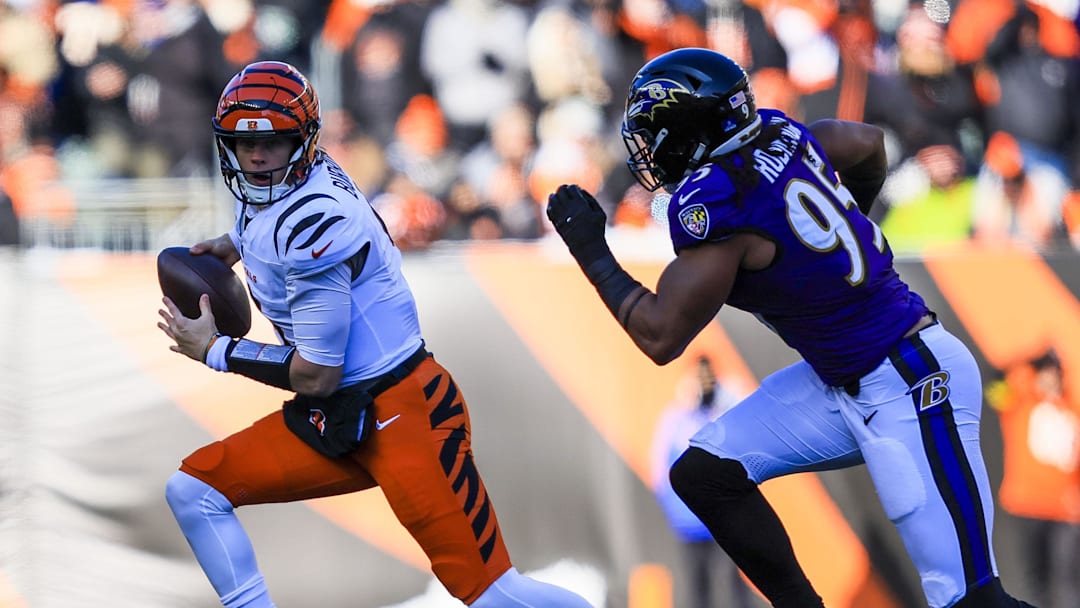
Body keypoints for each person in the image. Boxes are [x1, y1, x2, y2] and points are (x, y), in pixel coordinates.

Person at [546, 47, 1036, 608]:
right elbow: (866, 142)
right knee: (706, 473)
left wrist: (592, 252)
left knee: (974, 603)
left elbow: (660, 336)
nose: (652, 151)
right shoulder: (779, 132)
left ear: (688, 130)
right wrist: (843, 226)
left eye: (656, 133)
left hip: (911, 380)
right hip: (845, 378)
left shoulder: (717, 203)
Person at [156, 61, 593, 608]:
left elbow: (317, 372)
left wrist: (215, 350)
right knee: (194, 490)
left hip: (402, 409)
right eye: (246, 147)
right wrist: (236, 243)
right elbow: (274, 225)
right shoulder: (289, 186)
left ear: (303, 142)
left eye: (274, 142)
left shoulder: (315, 223)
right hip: (340, 414)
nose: (258, 157)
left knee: (493, 595)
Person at [649, 355, 753, 608]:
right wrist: (678, 512)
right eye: (699, 377)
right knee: (699, 588)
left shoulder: (725, 412)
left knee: (739, 584)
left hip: (728, 516)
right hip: (691, 521)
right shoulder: (676, 419)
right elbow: (660, 469)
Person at [985, 348, 1080, 608]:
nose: (1049, 380)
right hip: (1027, 505)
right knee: (1035, 582)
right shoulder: (1021, 403)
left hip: (1064, 511)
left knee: (1068, 582)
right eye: (1043, 374)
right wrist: (1027, 359)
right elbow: (994, 382)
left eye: (1053, 374)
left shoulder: (1073, 408)